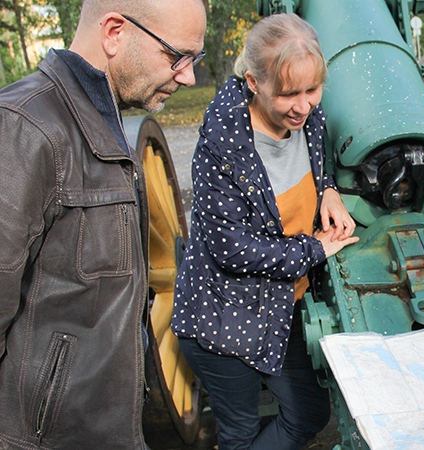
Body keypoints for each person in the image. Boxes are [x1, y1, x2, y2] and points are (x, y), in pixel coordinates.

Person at [0, 0, 206, 448]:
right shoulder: (23, 129)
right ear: (114, 31)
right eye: (178, 57)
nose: (188, 76)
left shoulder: (102, 118)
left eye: (196, 60)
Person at [171, 14, 358, 450]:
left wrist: (328, 188)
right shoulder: (221, 149)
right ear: (253, 82)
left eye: (312, 90)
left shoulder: (307, 117)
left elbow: (317, 152)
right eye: (288, 94)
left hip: (280, 306)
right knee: (239, 434)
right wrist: (315, 249)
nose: (303, 105)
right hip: (222, 321)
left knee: (310, 413)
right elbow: (232, 249)